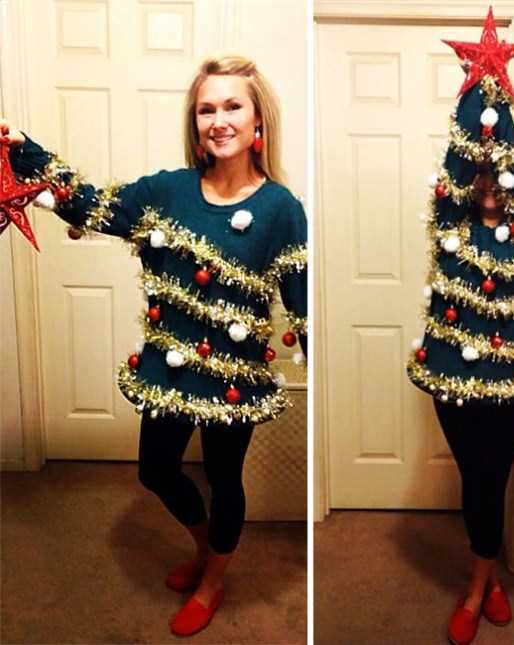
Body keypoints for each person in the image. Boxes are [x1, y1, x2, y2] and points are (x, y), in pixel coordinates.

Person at [2, 54, 307, 637]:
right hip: (170, 371)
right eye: (206, 109)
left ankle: (213, 579)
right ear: (196, 123)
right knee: (156, 469)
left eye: (232, 106)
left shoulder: (280, 210)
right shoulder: (167, 191)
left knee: (224, 478)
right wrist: (23, 150)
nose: (219, 120)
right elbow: (91, 203)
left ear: (257, 120)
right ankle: (206, 548)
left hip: (234, 381)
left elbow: (302, 299)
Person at [405, 35, 514, 644]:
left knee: (490, 477)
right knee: (476, 476)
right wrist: (478, 89)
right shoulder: (450, 225)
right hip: (452, 372)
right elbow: (454, 174)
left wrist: (500, 103)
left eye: (499, 173)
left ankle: (477, 589)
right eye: (480, 173)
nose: (490, 183)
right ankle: (488, 580)